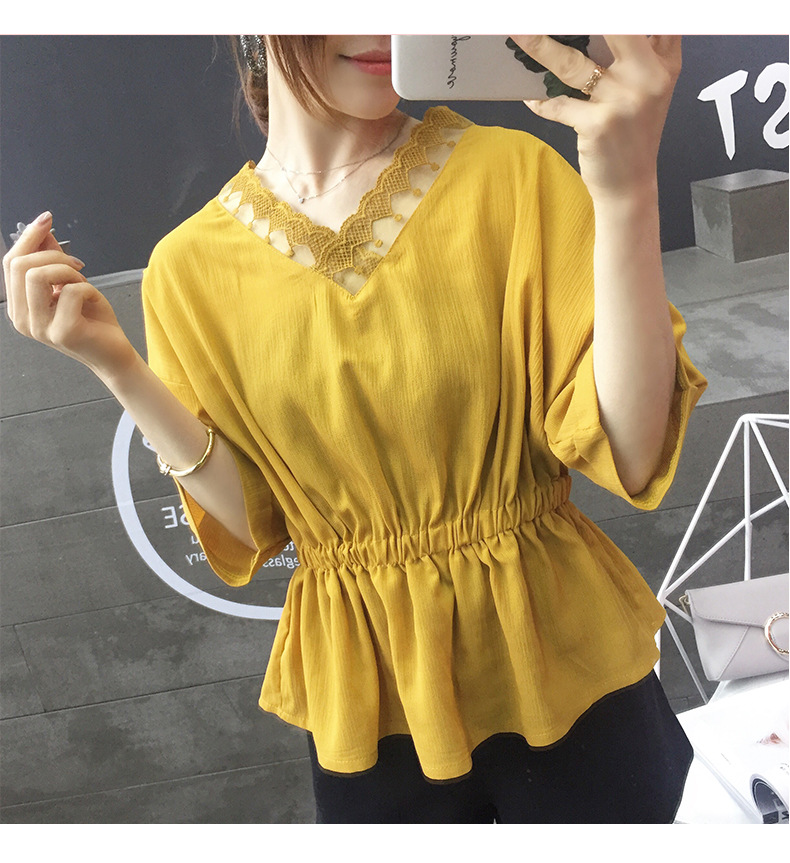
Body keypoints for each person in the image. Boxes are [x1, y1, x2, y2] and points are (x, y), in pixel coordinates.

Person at [4, 35, 707, 823]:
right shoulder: (188, 267)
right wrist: (117, 366)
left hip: (561, 658)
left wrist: (627, 188)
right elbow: (259, 521)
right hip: (371, 695)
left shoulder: (512, 174)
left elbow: (634, 451)